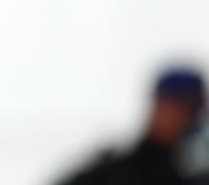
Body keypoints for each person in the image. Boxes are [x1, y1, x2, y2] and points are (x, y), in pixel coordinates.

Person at [56, 67, 206, 185]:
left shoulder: (198, 172)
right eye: (176, 107)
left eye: (192, 109)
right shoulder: (115, 173)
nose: (182, 118)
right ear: (156, 107)